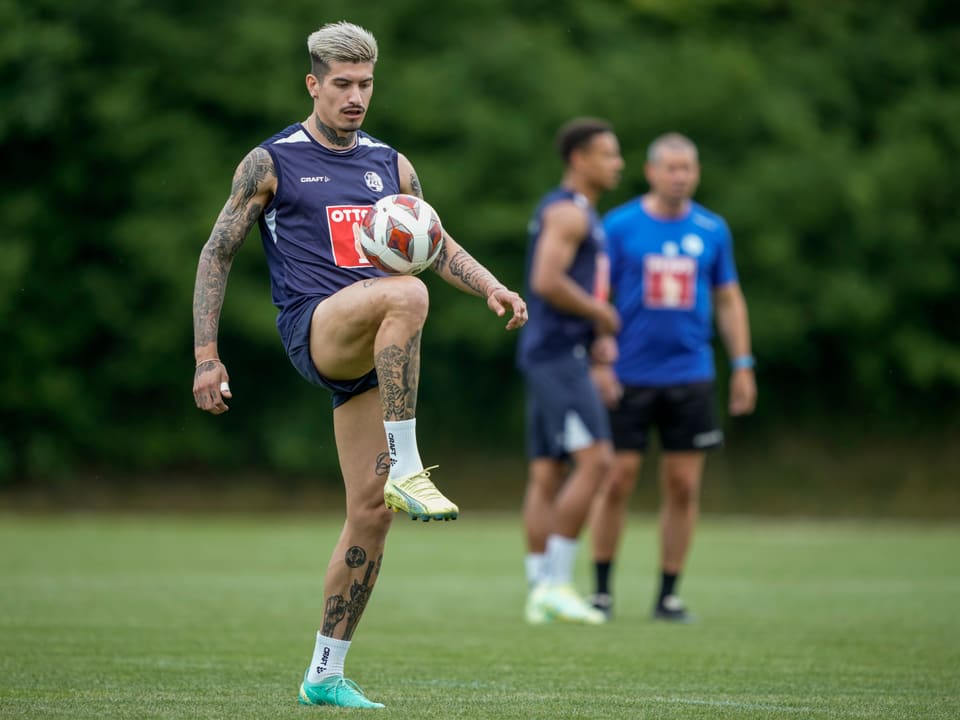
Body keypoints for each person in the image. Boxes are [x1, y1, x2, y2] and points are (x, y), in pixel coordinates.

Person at [191, 21, 527, 709]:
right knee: (407, 292)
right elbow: (217, 252)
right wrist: (205, 356)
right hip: (316, 326)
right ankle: (409, 462)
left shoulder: (391, 164)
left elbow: (430, 239)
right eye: (340, 84)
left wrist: (490, 283)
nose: (354, 96)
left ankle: (324, 671)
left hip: (375, 345)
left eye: (364, 84)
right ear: (313, 84)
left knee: (371, 515)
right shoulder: (272, 160)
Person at [588, 132, 756, 622]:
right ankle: (601, 591)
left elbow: (728, 299)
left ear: (697, 173)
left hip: (691, 374)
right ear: (652, 171)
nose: (680, 176)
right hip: (629, 375)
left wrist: (743, 364)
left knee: (683, 485)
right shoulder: (619, 226)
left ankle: (668, 594)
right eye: (672, 167)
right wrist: (600, 359)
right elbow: (597, 297)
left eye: (689, 168)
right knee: (617, 480)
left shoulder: (712, 229)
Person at [517, 118, 624, 625]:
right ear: (580, 159)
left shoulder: (580, 214)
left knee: (546, 472)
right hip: (558, 355)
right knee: (598, 462)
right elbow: (546, 279)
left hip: (552, 351)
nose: (617, 163)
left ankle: (540, 588)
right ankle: (557, 583)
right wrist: (600, 314)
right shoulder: (569, 212)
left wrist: (598, 341)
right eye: (608, 154)